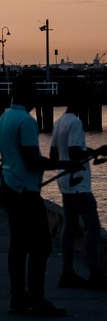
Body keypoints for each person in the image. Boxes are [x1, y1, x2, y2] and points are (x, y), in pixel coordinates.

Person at [0, 75, 81, 317]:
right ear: (27, 95)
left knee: (18, 246)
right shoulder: (26, 121)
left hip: (9, 187)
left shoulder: (4, 117)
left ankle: (18, 299)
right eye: (34, 94)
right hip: (25, 192)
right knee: (41, 246)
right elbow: (33, 160)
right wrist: (65, 165)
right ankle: (37, 299)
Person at [49, 92, 107, 290]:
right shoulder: (75, 123)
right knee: (93, 226)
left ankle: (67, 272)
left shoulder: (59, 122)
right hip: (78, 182)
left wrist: (93, 152)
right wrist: (96, 152)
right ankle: (95, 272)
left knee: (70, 227)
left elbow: (54, 154)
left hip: (65, 183)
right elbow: (75, 152)